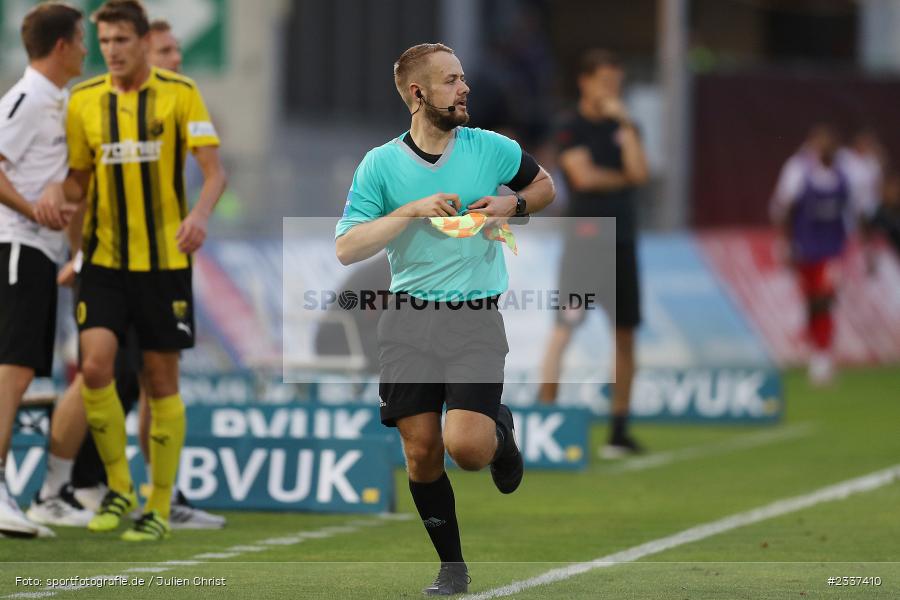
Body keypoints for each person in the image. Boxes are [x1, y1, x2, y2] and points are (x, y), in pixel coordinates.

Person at [335, 43, 555, 596]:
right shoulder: (380, 164)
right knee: (421, 452)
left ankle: (500, 433)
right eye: (452, 80)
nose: (465, 88)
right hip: (406, 321)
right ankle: (452, 569)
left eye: (462, 78)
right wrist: (408, 211)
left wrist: (512, 206)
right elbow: (347, 247)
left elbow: (545, 186)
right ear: (418, 93)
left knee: (469, 450)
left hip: (474, 318)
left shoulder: (491, 147)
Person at [35, 0, 226, 541]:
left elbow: (214, 173)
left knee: (161, 382)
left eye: (121, 40)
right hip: (103, 262)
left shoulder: (180, 93)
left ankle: (159, 506)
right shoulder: (84, 100)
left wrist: (199, 215)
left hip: (163, 263)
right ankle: (118, 485)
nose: (111, 51)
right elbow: (78, 179)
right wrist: (56, 192)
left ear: (142, 42)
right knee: (96, 368)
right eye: (104, 41)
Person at [0, 1, 86, 539]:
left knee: (20, 370)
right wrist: (34, 211)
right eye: (81, 40)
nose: (86, 50)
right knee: (11, 372)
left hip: (40, 252)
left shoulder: (56, 100)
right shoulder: (28, 98)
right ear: (61, 46)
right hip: (18, 246)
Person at [537, 49, 649, 458]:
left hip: (623, 240)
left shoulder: (627, 126)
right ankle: (543, 420)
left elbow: (640, 172)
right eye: (605, 82)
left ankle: (619, 429)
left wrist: (625, 125)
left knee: (626, 335)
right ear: (585, 82)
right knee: (564, 329)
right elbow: (582, 177)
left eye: (616, 83)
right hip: (585, 242)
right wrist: (620, 177)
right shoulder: (571, 126)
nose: (611, 90)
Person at [770, 124, 851, 385]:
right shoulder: (798, 171)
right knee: (811, 301)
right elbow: (784, 207)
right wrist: (785, 243)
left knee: (824, 299)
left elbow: (851, 211)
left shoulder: (843, 174)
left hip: (831, 250)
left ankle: (822, 358)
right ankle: (814, 349)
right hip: (806, 248)